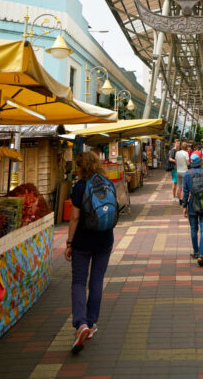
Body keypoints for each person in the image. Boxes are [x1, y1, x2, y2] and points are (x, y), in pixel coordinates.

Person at [65, 152, 115, 354]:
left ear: (81, 167)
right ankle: (91, 323)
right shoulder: (108, 183)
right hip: (105, 239)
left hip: (82, 242)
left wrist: (69, 242)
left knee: (79, 282)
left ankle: (81, 323)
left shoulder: (80, 186)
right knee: (96, 281)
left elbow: (75, 218)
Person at [183, 152, 203, 267]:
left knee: (193, 229)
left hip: (192, 204)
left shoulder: (187, 174)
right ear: (200, 161)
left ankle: (196, 252)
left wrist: (184, 206)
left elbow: (185, 192)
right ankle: (201, 255)